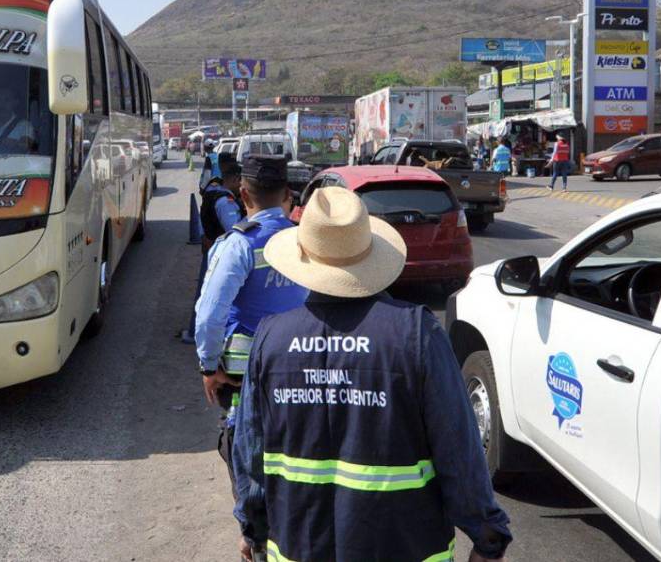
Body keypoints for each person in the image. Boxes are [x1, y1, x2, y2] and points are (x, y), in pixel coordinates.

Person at [231, 186, 513, 562]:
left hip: (298, 548)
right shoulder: (415, 334)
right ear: (371, 256)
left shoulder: (270, 339)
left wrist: (253, 530)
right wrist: (487, 536)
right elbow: (458, 447)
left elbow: (250, 453)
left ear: (303, 260)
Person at [195, 156, 309, 501]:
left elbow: (209, 314)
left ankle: (255, 537)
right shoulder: (305, 240)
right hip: (301, 366)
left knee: (246, 455)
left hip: (245, 375)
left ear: (243, 195)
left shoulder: (239, 244)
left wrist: (208, 365)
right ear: (288, 193)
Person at [183, 153, 245, 344]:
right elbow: (234, 231)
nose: (242, 187)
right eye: (240, 182)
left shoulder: (211, 189)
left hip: (210, 250)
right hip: (220, 254)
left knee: (204, 292)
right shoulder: (224, 200)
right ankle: (200, 334)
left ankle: (194, 331)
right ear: (234, 179)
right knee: (213, 296)